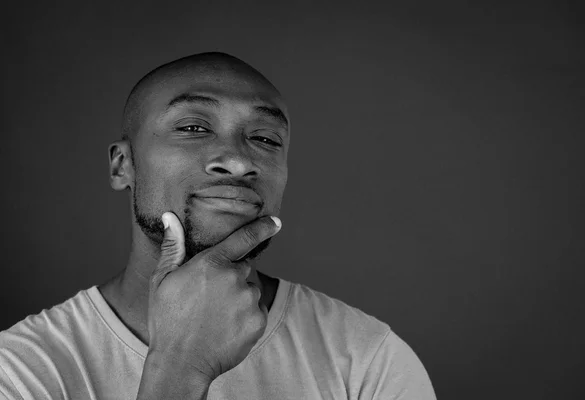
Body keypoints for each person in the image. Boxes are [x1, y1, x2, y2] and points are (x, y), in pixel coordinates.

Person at [0, 52, 436, 399]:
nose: (238, 160)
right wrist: (179, 370)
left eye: (265, 138)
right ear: (123, 165)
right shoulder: (19, 371)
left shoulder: (368, 359)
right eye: (193, 127)